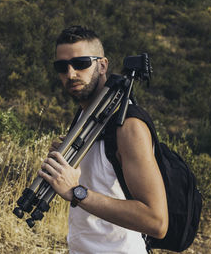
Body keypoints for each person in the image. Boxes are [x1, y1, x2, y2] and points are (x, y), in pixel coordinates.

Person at [37, 25, 168, 253]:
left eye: (81, 63)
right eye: (62, 66)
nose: (71, 74)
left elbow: (156, 222)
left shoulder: (129, 126)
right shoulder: (85, 118)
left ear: (102, 65)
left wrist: (77, 192)